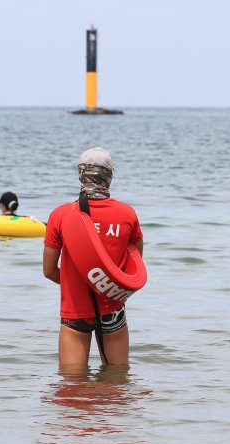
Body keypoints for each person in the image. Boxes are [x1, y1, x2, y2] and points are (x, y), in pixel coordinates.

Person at [42, 147, 144, 368]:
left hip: (75, 310)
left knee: (73, 389)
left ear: (81, 174)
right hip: (112, 307)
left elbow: (49, 271)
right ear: (109, 177)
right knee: (117, 382)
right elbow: (134, 267)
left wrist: (78, 283)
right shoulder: (127, 214)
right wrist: (105, 286)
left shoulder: (60, 215)